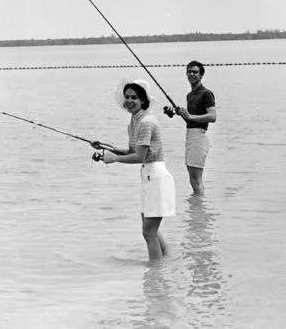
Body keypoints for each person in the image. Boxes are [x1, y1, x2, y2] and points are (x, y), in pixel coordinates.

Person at [92, 79, 176, 261]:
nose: (129, 101)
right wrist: (107, 147)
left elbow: (140, 156)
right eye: (127, 97)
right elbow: (132, 151)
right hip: (149, 176)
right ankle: (168, 257)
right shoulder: (135, 121)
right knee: (148, 226)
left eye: (134, 98)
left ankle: (155, 273)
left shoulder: (146, 122)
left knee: (148, 231)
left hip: (156, 176)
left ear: (143, 100)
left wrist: (114, 159)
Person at [177, 61, 216, 195]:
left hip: (199, 137)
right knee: (192, 179)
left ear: (201, 75)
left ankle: (199, 208)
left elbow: (212, 116)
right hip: (190, 136)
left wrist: (190, 116)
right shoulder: (190, 95)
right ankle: (198, 208)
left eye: (195, 72)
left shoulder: (206, 94)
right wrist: (181, 114)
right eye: (189, 71)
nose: (192, 74)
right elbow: (190, 120)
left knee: (196, 179)